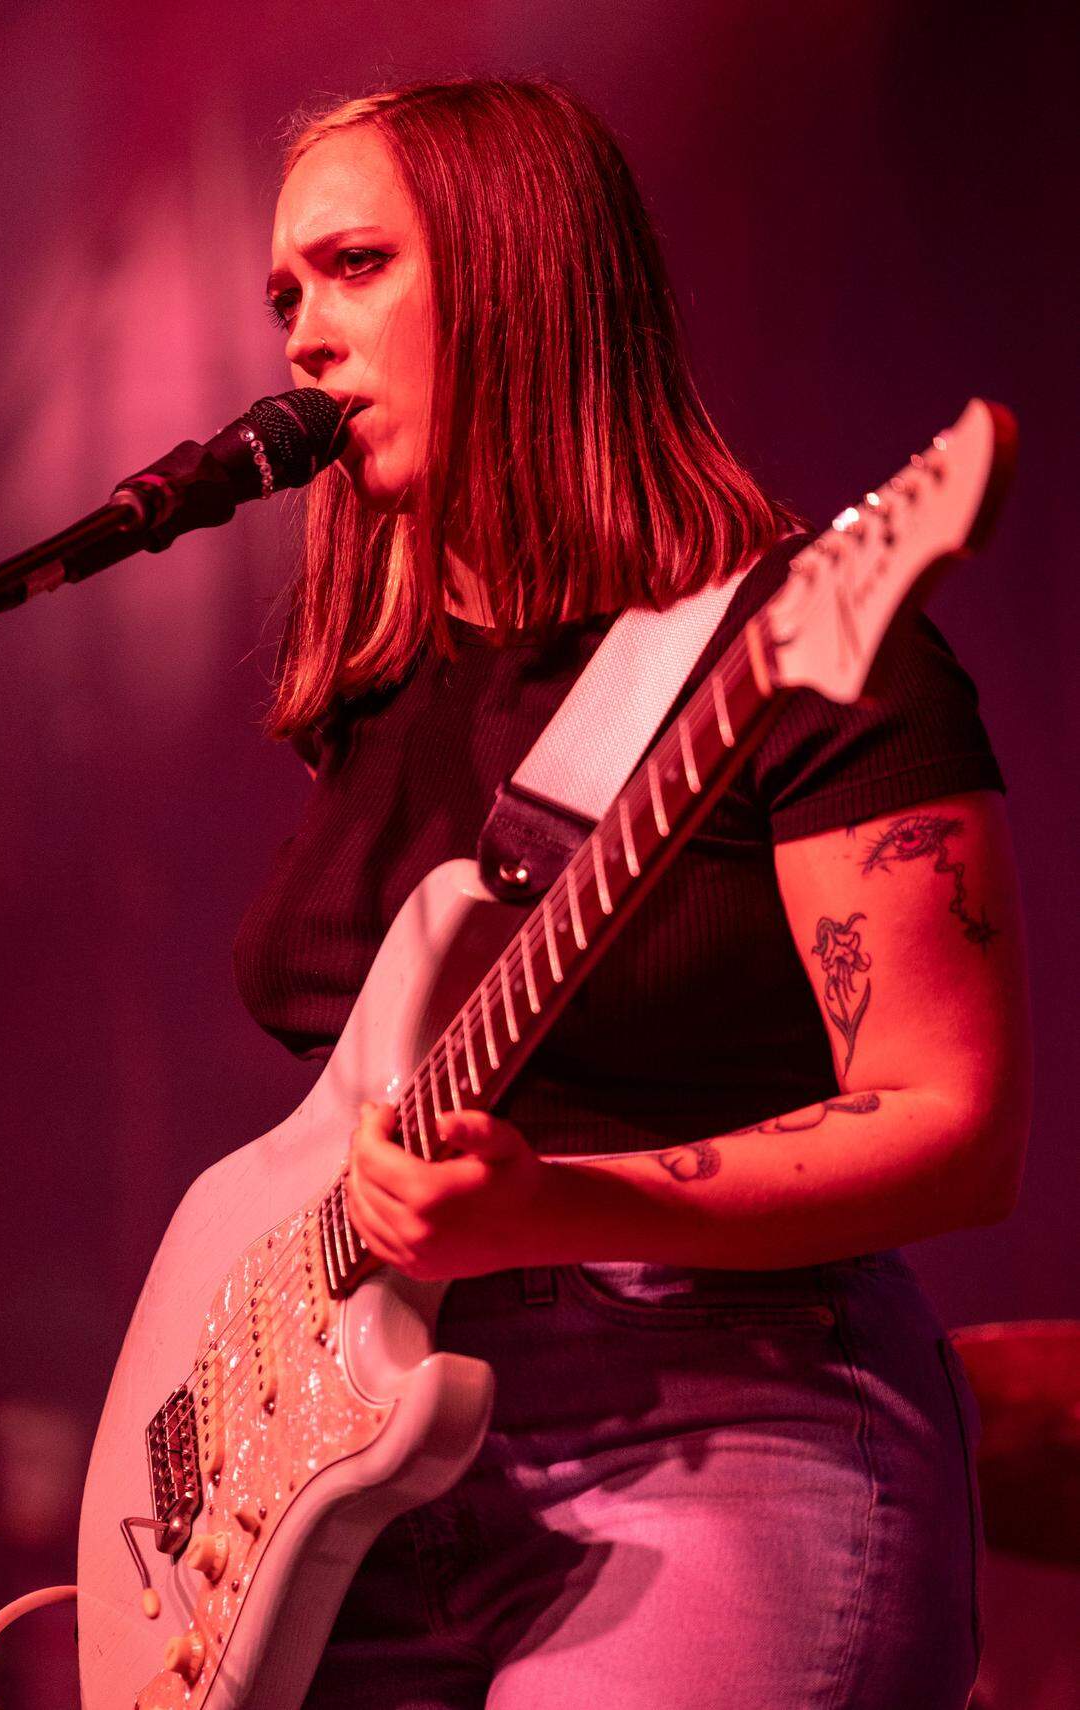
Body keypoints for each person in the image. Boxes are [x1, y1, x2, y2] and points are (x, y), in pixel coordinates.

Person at [233, 76, 1031, 1710]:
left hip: (722, 1435)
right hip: (367, 1476)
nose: (305, 333)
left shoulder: (803, 647)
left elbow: (958, 1117)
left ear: (520, 273)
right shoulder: (378, 704)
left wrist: (564, 1205)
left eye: (358, 265)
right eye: (285, 294)